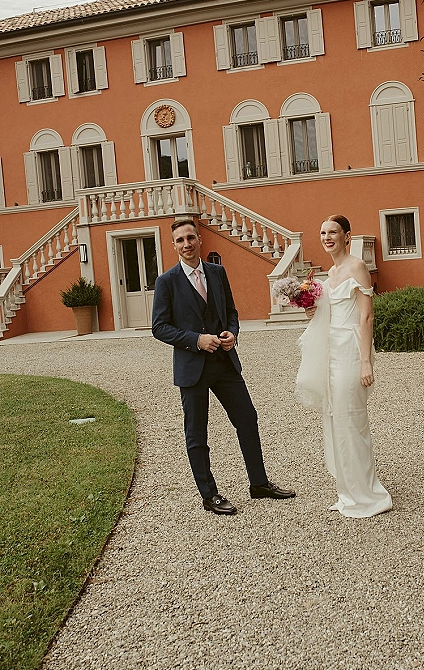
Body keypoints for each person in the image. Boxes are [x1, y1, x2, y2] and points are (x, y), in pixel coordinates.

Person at [152, 218, 295, 515]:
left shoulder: (217, 273)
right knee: (197, 433)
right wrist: (196, 339)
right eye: (180, 240)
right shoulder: (167, 281)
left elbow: (231, 312)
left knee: (247, 418)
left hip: (225, 363)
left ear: (199, 240)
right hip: (193, 368)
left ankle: (259, 484)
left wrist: (232, 333)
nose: (187, 244)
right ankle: (210, 495)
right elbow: (159, 327)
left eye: (191, 237)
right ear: (174, 245)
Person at [295, 215, 392, 518]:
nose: (327, 237)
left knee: (352, 420)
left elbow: (366, 316)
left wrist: (366, 361)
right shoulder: (330, 273)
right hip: (331, 354)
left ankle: (368, 495)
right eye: (323, 232)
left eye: (333, 232)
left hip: (351, 351)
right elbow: (326, 314)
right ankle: (347, 491)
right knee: (336, 420)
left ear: (346, 236)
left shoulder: (356, 267)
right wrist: (312, 308)